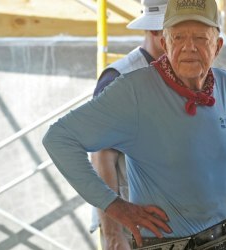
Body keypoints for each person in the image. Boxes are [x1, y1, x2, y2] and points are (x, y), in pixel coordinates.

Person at [43, 1, 226, 249]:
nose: (189, 47)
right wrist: (114, 207)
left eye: (200, 37)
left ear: (217, 46)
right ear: (165, 44)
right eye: (178, 37)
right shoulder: (133, 90)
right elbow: (59, 138)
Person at [89, 1, 167, 249]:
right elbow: (102, 159)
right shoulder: (119, 78)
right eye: (180, 29)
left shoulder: (181, 74)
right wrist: (113, 235)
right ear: (155, 30)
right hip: (131, 228)